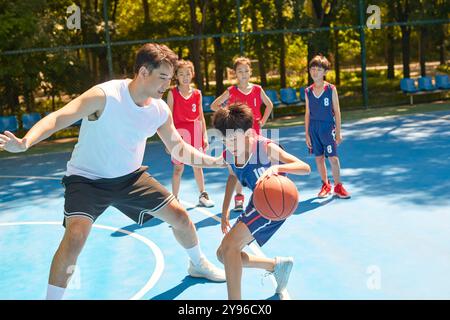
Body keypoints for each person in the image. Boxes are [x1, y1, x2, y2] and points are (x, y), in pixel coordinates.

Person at [0, 43, 226, 300]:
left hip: (130, 178)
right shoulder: (104, 96)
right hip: (87, 179)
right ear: (143, 72)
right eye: (163, 77)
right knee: (75, 237)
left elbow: (178, 148)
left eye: (170, 78)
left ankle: (197, 264)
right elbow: (60, 117)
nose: (167, 84)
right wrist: (26, 142)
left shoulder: (159, 110)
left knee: (181, 217)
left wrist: (215, 162)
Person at [212, 103, 311, 300]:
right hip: (258, 202)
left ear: (248, 134)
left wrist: (276, 169)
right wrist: (224, 212)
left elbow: (304, 167)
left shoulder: (266, 148)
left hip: (274, 204)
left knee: (230, 247)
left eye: (233, 139)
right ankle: (275, 265)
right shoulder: (229, 154)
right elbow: (232, 177)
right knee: (222, 254)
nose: (228, 144)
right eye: (224, 140)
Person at [210, 57, 274, 211]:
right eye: (240, 71)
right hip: (236, 136)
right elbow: (214, 105)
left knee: (259, 165)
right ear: (235, 74)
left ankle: (262, 195)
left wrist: (263, 120)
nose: (243, 74)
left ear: (251, 72)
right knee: (239, 167)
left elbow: (269, 105)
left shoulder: (258, 89)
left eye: (246, 70)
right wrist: (227, 114)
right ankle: (239, 199)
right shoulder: (231, 91)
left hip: (254, 133)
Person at [167, 59, 214, 207]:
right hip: (179, 134)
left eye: (188, 73)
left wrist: (204, 135)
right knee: (178, 168)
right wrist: (169, 140)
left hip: (195, 132)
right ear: (176, 76)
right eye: (181, 74)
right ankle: (175, 199)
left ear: (192, 74)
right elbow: (167, 118)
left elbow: (201, 116)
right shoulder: (172, 93)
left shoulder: (197, 94)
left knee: (197, 165)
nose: (185, 77)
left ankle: (202, 195)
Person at [304, 54, 350, 199]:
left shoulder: (331, 89)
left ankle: (338, 186)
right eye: (312, 69)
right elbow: (307, 113)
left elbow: (337, 111)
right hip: (314, 129)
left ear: (324, 72)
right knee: (319, 158)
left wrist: (338, 132)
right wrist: (306, 134)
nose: (315, 72)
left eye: (318, 69)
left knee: (333, 159)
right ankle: (325, 184)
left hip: (327, 128)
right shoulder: (308, 91)